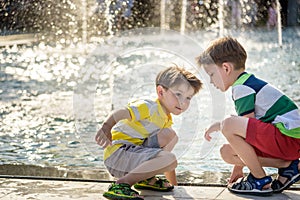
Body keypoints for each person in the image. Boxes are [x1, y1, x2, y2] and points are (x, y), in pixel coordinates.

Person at [196, 37, 300, 196]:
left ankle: (259, 180)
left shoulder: (241, 88)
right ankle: (287, 166)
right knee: (227, 153)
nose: (210, 81)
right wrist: (238, 168)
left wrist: (221, 125)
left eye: (211, 74)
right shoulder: (247, 82)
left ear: (225, 68)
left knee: (228, 124)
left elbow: (243, 127)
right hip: (286, 142)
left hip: (288, 139)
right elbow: (248, 131)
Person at [95, 65, 202, 199]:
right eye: (178, 94)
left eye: (188, 98)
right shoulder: (149, 106)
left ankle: (147, 178)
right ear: (161, 92)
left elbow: (165, 158)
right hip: (118, 155)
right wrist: (106, 127)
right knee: (170, 159)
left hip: (133, 153)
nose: (183, 102)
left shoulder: (165, 118)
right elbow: (122, 112)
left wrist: (174, 187)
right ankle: (121, 184)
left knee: (171, 136)